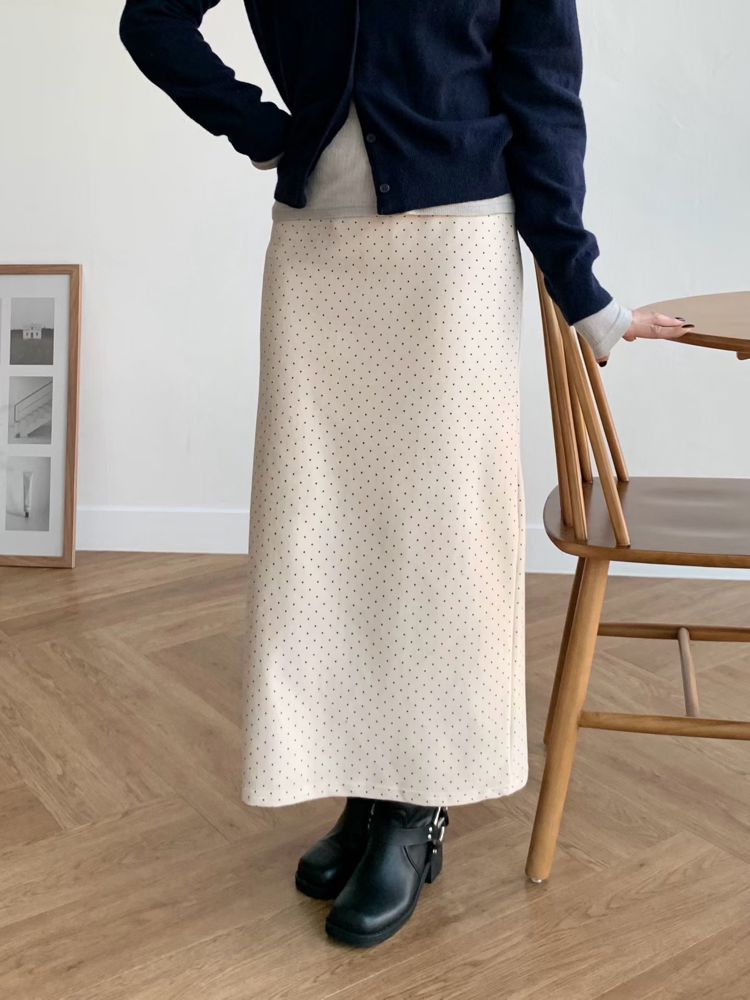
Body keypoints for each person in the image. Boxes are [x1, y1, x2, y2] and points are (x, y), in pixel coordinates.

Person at [118, 0, 689, 949]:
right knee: (322, 535)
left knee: (438, 540)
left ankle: (417, 806)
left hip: (453, 256)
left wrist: (583, 287)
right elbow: (153, 20)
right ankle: (364, 785)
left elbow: (543, 97)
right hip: (315, 251)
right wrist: (262, 129)